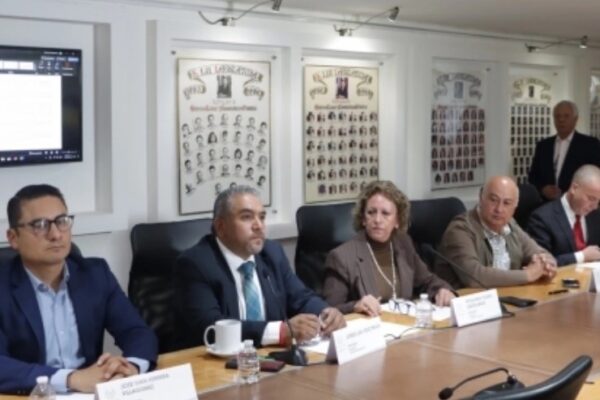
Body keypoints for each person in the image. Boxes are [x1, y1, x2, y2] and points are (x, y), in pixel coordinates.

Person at [0, 185, 157, 394]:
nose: (55, 234)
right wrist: (70, 379)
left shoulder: (94, 274)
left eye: (62, 222)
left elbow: (136, 332)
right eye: (40, 225)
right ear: (13, 238)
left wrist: (130, 368)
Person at [173, 186, 345, 348]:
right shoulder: (196, 263)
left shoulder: (272, 253)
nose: (259, 226)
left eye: (262, 217)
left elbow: (301, 296)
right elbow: (211, 326)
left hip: (270, 359)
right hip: (217, 364)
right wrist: (280, 332)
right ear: (221, 226)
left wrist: (326, 312)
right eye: (247, 217)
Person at [323, 181, 455, 316]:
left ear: (397, 221)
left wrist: (442, 290)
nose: (377, 220)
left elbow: (427, 281)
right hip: (369, 330)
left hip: (403, 327)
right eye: (371, 212)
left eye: (385, 213)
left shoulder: (403, 244)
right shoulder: (341, 257)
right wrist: (355, 305)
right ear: (363, 219)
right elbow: (329, 311)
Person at [435, 176, 557, 288]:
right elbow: (474, 276)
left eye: (506, 203)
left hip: (506, 299)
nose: (499, 209)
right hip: (468, 303)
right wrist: (527, 275)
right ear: (481, 198)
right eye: (493, 200)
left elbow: (539, 252)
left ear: (514, 208)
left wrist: (546, 264)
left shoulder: (510, 225)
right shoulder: (460, 229)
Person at [528, 165, 600, 266]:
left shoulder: (596, 216)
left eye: (598, 201)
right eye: (591, 199)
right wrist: (581, 256)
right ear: (574, 188)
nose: (595, 206)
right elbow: (540, 263)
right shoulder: (542, 218)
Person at [528, 100, 600, 201]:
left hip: (577, 203)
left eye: (566, 116)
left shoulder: (590, 145)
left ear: (575, 119)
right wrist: (543, 189)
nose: (561, 120)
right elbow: (533, 176)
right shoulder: (543, 145)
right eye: (557, 116)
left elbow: (596, 176)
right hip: (546, 204)